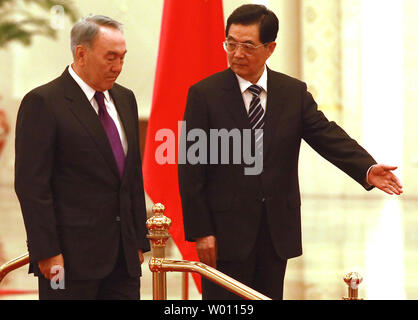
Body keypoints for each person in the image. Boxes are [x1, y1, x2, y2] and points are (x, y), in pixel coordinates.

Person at [178, 4, 403, 300]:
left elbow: (327, 135)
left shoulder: (292, 93)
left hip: (275, 232)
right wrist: (201, 231)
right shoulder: (203, 94)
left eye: (247, 46)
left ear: (270, 48)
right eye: (230, 44)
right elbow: (190, 169)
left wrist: (366, 168)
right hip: (225, 234)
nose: (236, 54)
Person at [14, 15, 149, 300]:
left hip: (123, 261)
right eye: (110, 58)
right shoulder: (44, 103)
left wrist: (137, 241)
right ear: (81, 54)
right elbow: (32, 187)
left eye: (123, 58)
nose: (118, 67)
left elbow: (131, 177)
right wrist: (48, 252)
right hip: (67, 262)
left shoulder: (125, 99)